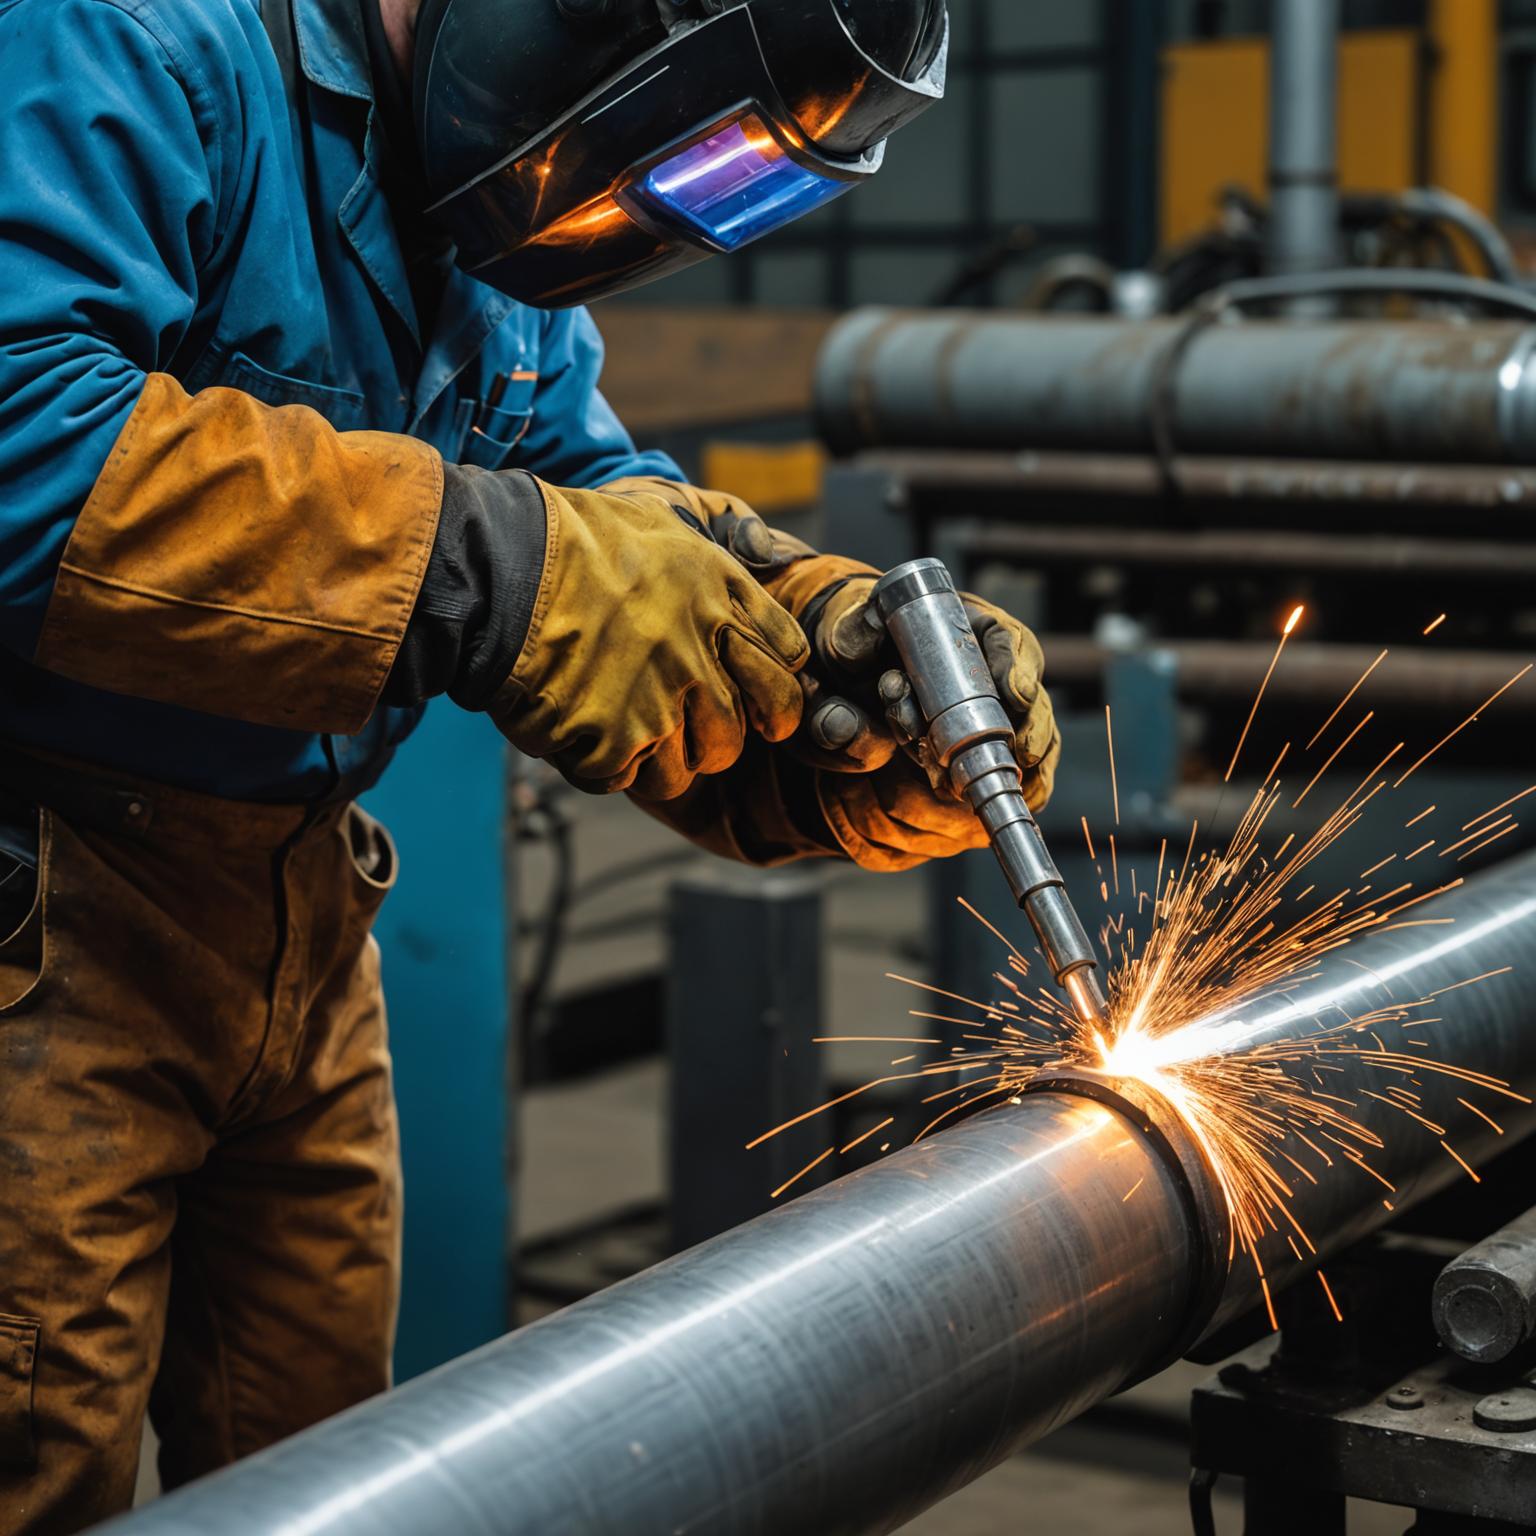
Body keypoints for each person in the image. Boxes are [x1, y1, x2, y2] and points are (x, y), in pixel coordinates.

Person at [0, 0, 1057, 1528]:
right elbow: (25, 442)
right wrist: (496, 572)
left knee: (334, 1482)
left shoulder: (495, 227)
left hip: (302, 924)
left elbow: (588, 497)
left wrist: (814, 670)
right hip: (43, 924)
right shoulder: (143, 38)